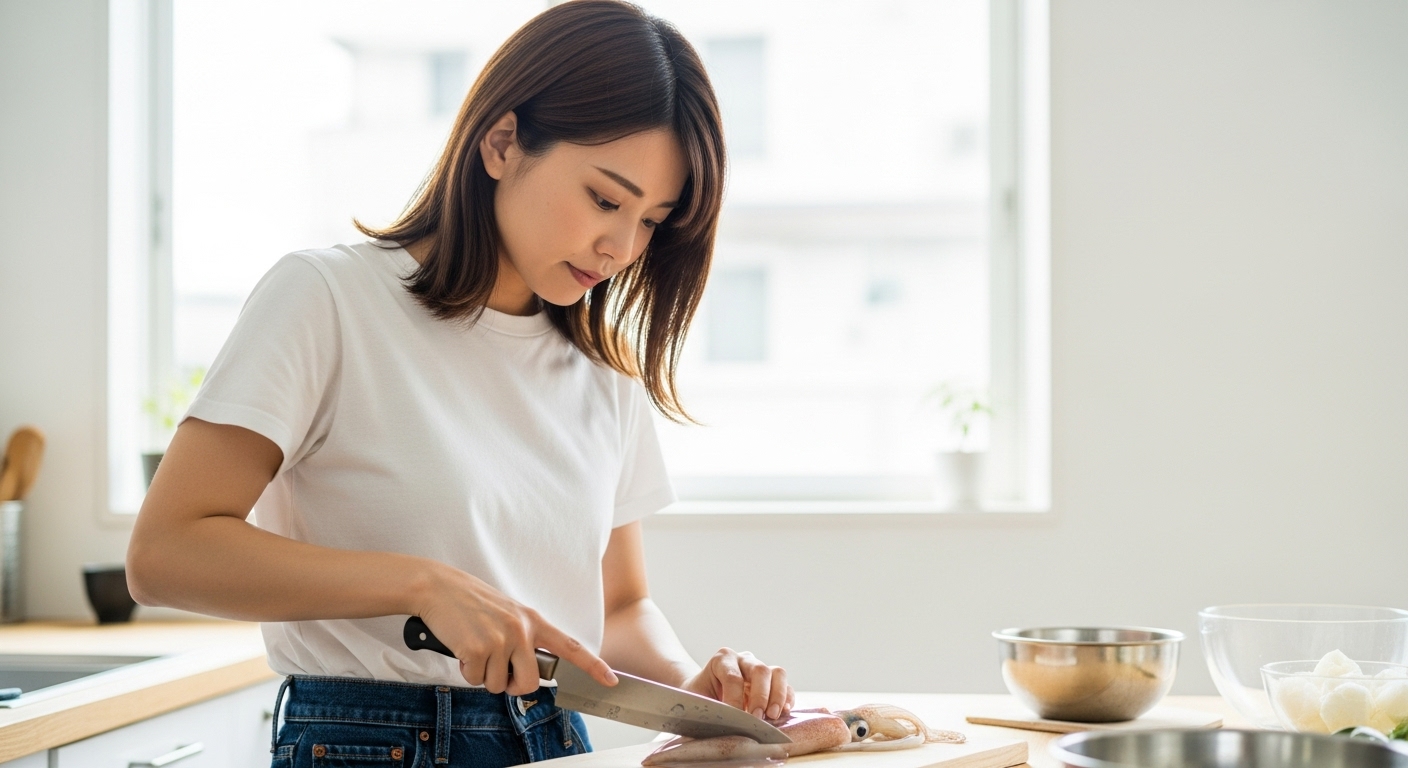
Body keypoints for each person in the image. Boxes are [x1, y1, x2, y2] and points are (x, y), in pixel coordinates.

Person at [125, 2, 794, 765]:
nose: (620, 246)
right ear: (502, 143)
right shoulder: (328, 298)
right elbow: (165, 553)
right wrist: (418, 585)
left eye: (652, 220)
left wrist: (696, 696)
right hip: (368, 742)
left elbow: (617, 607)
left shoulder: (603, 370)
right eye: (606, 199)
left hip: (553, 738)